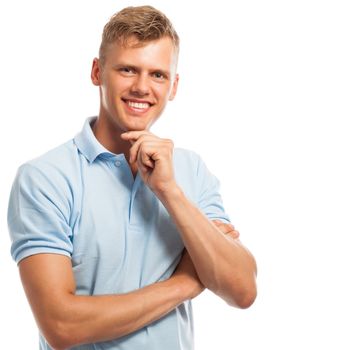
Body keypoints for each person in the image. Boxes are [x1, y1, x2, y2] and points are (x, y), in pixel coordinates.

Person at [7, 5, 257, 350]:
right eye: (127, 69)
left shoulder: (191, 171)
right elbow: (61, 324)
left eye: (158, 75)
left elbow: (242, 290)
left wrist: (170, 192)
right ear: (97, 71)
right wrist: (184, 283)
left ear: (174, 86)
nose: (142, 87)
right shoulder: (45, 179)